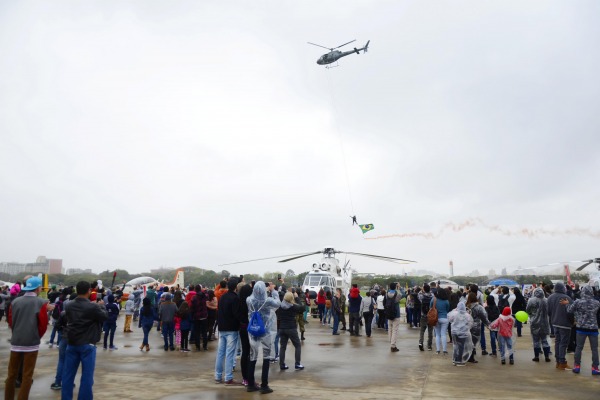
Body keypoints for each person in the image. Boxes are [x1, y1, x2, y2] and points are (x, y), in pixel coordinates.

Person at [4, 276, 50, 400]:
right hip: (31, 343)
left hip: (16, 341)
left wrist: (17, 333)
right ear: (38, 288)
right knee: (27, 375)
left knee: (11, 374)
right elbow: (43, 324)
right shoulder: (41, 302)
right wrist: (36, 336)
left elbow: (11, 321)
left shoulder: (16, 301)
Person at [62, 280, 108, 400]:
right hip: (87, 343)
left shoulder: (69, 305)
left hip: (72, 342)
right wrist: (102, 305)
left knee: (68, 375)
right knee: (87, 377)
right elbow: (104, 317)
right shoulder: (92, 306)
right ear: (89, 291)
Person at [246, 281, 280, 394]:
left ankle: (250, 384)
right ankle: (264, 385)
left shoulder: (249, 300)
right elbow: (278, 304)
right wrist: (274, 291)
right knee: (266, 356)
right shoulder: (267, 301)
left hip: (253, 330)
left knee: (253, 356)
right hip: (265, 331)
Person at [564, 285, 600, 375]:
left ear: (582, 292)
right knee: (594, 349)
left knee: (579, 348)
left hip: (581, 328)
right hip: (593, 328)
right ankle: (595, 368)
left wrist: (567, 303)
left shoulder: (578, 302)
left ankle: (577, 366)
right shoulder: (597, 303)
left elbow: (569, 310)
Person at [215, 278, 241, 385]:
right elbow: (236, 314)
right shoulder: (235, 298)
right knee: (230, 354)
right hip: (232, 328)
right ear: (235, 287)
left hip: (222, 327)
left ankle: (218, 376)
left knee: (220, 353)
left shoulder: (222, 297)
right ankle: (228, 377)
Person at [548, 282, 573, 370]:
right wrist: (572, 322)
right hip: (565, 324)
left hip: (555, 323)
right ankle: (562, 362)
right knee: (563, 343)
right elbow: (571, 311)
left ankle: (558, 361)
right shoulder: (567, 298)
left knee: (557, 342)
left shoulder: (550, 297)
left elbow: (548, 311)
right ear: (563, 288)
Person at [276, 291, 305, 371]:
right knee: (297, 345)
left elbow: (278, 316)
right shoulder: (293, 306)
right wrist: (297, 298)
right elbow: (303, 308)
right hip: (291, 328)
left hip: (282, 328)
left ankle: (282, 365)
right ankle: (297, 364)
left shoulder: (280, 306)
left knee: (283, 347)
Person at [526, 287, 552, 362]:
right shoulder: (546, 300)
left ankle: (536, 356)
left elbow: (527, 310)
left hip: (534, 322)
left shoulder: (531, 300)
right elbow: (549, 311)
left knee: (536, 340)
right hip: (545, 322)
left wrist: (532, 315)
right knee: (544, 340)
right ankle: (547, 356)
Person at [466, 292, 490, 363]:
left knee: (467, 341)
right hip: (476, 326)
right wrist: (488, 324)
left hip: (466, 326)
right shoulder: (479, 307)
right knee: (473, 342)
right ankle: (471, 357)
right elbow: (484, 317)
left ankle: (466, 356)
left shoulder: (466, 306)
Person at [448, 302, 473, 366]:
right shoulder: (467, 315)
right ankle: (459, 360)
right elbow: (470, 324)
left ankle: (455, 360)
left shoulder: (454, 314)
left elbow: (450, 320)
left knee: (455, 345)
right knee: (461, 346)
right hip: (463, 333)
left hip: (454, 332)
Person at [431, 287, 450, 355]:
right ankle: (444, 350)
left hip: (436, 318)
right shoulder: (446, 301)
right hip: (444, 318)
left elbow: (431, 307)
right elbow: (447, 309)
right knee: (443, 334)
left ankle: (438, 350)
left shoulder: (434, 299)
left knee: (437, 335)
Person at [191, 285, 209, 351]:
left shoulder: (194, 298)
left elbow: (192, 308)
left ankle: (198, 346)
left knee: (197, 332)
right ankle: (205, 346)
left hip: (196, 316)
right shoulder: (205, 296)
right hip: (204, 316)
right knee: (204, 332)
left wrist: (192, 315)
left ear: (195, 290)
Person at [386, 283, 402, 352]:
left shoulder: (387, 294)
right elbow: (403, 294)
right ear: (395, 287)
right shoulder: (397, 294)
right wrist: (399, 288)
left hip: (389, 312)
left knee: (390, 328)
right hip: (396, 313)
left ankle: (391, 342)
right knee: (395, 330)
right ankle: (393, 345)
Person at [418, 284, 434, 351]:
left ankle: (421, 343)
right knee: (430, 331)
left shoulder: (421, 296)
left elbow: (418, 294)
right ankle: (429, 346)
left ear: (424, 289)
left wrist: (422, 290)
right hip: (430, 315)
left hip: (423, 315)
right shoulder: (432, 296)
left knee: (422, 330)